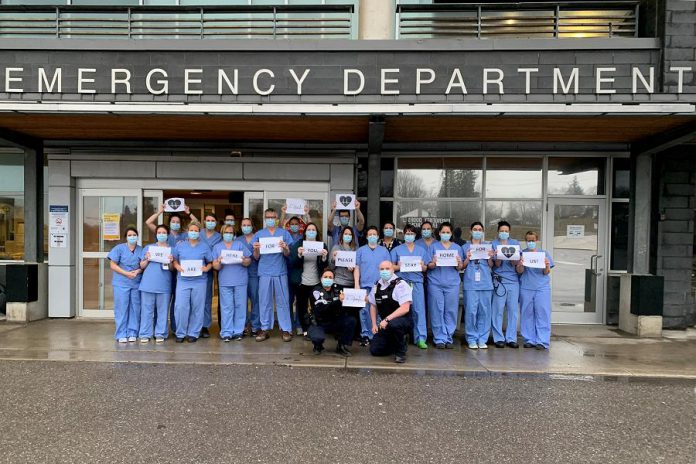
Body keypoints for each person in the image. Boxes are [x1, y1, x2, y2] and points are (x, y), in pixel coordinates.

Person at [145, 204, 198, 334]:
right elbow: (148, 222)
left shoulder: (186, 235)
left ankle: (175, 328)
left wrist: (188, 212)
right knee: (163, 303)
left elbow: (197, 224)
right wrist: (160, 211)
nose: (175, 224)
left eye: (177, 222)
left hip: (180, 272)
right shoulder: (164, 233)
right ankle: (158, 328)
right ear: (169, 223)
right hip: (166, 273)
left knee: (177, 302)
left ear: (181, 224)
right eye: (173, 222)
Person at [252, 208, 293, 342]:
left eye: (272, 217)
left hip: (280, 271)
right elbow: (256, 257)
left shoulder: (283, 233)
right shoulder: (259, 234)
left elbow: (288, 254)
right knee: (264, 301)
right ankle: (264, 329)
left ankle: (286, 329)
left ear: (276, 218)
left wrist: (285, 248)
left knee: (283, 301)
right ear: (265, 218)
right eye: (268, 217)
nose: (270, 219)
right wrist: (256, 249)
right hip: (264, 272)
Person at [172, 222, 214, 343]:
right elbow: (174, 260)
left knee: (197, 307)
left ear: (199, 232)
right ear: (187, 231)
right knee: (180, 306)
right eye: (191, 230)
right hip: (183, 280)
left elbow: (210, 261)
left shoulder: (204, 247)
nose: (193, 233)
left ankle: (193, 333)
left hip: (199, 281)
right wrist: (177, 266)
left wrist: (207, 268)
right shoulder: (180, 246)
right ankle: (180, 333)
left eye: (196, 231)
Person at [426, 222, 464, 349]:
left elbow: (460, 267)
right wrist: (434, 262)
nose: (446, 234)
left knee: (451, 310)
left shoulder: (457, 248)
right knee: (437, 310)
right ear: (439, 233)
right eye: (443, 232)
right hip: (435, 283)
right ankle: (439, 338)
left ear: (451, 234)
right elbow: (428, 266)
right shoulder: (433, 247)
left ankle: (448, 336)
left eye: (448, 232)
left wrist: (459, 262)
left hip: (452, 283)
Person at [391, 224, 429, 350]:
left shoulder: (421, 251)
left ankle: (420, 338)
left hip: (417, 283)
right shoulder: (397, 250)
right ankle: (401, 336)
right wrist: (400, 266)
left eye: (411, 233)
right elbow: (391, 267)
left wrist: (423, 265)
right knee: (402, 311)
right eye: (407, 233)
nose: (409, 235)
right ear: (403, 234)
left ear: (415, 235)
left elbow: (425, 268)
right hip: (402, 283)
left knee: (419, 311)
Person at [212, 224, 252, 341]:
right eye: (226, 232)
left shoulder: (239, 245)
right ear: (222, 233)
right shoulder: (217, 247)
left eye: (230, 232)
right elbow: (216, 266)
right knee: (226, 307)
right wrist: (218, 261)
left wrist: (244, 260)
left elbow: (249, 260)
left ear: (234, 234)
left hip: (240, 280)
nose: (228, 234)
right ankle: (226, 332)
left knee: (240, 306)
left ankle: (238, 331)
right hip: (225, 282)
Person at [369, 261, 413, 363]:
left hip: (403, 321)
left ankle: (401, 353)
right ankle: (397, 343)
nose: (384, 271)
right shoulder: (377, 285)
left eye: (387, 269)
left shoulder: (400, 284)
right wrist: (374, 324)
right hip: (386, 324)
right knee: (375, 350)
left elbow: (405, 308)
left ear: (393, 270)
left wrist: (387, 319)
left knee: (394, 324)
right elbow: (372, 305)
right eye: (382, 269)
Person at [516, 231, 554, 350]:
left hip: (542, 287)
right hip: (527, 287)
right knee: (527, 314)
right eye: (528, 240)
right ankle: (529, 339)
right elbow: (519, 271)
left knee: (542, 313)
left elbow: (546, 272)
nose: (530, 242)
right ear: (525, 240)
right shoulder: (522, 254)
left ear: (537, 240)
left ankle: (542, 341)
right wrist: (520, 264)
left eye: (533, 240)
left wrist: (547, 265)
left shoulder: (543, 254)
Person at [289, 223, 329, 336]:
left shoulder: (322, 245)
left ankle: (316, 328)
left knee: (316, 306)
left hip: (316, 282)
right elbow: (293, 263)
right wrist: (299, 255)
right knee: (302, 307)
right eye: (309, 229)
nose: (311, 231)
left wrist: (324, 257)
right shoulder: (298, 245)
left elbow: (323, 265)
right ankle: (305, 329)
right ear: (305, 232)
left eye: (313, 229)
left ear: (316, 232)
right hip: (302, 282)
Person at [138, 225, 175, 344]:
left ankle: (160, 333)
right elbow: (142, 266)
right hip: (148, 284)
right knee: (147, 310)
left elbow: (172, 268)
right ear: (156, 234)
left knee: (162, 311)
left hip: (164, 285)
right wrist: (147, 259)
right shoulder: (149, 248)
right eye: (159, 232)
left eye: (164, 232)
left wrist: (170, 261)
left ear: (168, 234)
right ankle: (145, 334)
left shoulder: (171, 249)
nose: (161, 234)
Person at [355, 226, 391, 345]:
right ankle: (365, 334)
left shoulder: (384, 251)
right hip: (364, 285)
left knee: (378, 311)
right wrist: (356, 284)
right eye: (370, 234)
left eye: (374, 234)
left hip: (379, 286)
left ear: (378, 236)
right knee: (364, 311)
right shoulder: (360, 251)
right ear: (366, 237)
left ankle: (376, 333)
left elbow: (388, 268)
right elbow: (357, 268)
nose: (372, 236)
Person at [462, 221, 495, 350]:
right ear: (471, 231)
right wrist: (467, 258)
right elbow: (461, 267)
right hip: (471, 284)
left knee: (485, 312)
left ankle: (482, 339)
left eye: (479, 229)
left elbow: (492, 265)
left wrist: (490, 257)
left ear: (482, 232)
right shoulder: (465, 247)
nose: (477, 231)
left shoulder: (488, 246)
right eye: (475, 229)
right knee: (471, 312)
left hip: (486, 283)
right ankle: (471, 338)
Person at [307, 269, 356, 356]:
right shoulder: (316, 291)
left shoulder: (338, 290)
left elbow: (349, 308)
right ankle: (318, 346)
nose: (328, 279)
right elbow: (322, 309)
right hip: (320, 322)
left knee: (351, 320)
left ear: (333, 280)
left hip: (335, 321)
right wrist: (338, 302)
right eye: (325, 277)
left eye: (330, 277)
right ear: (321, 278)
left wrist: (361, 302)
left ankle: (341, 346)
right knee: (317, 336)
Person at [108, 227, 143, 343]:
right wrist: (126, 273)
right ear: (126, 237)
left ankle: (133, 332)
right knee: (121, 308)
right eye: (130, 235)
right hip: (121, 283)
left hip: (136, 283)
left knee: (135, 308)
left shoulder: (141, 250)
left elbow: (143, 266)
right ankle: (121, 333)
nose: (132, 237)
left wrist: (137, 271)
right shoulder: (119, 249)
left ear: (137, 236)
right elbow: (113, 265)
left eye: (134, 235)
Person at [491, 221, 521, 348]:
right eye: (502, 231)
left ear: (509, 232)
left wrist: (512, 257)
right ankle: (498, 338)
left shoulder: (515, 244)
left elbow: (516, 264)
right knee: (497, 310)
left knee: (513, 311)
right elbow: (496, 264)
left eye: (506, 231)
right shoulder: (493, 244)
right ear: (498, 232)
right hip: (500, 281)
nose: (504, 233)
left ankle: (511, 338)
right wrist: (499, 255)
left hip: (513, 281)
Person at [199, 213, 222, 338]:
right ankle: (194, 325)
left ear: (216, 222)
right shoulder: (198, 233)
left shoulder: (219, 237)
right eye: (208, 220)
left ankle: (204, 326)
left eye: (213, 220)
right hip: (194, 271)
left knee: (207, 299)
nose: (210, 222)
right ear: (204, 221)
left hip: (208, 271)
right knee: (195, 300)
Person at [237, 218, 261, 337]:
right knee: (242, 302)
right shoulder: (237, 240)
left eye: (248, 225)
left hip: (254, 274)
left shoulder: (258, 238)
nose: (246, 227)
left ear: (252, 226)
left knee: (256, 300)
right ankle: (244, 325)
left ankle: (256, 326)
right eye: (244, 225)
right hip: (240, 274)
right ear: (240, 227)